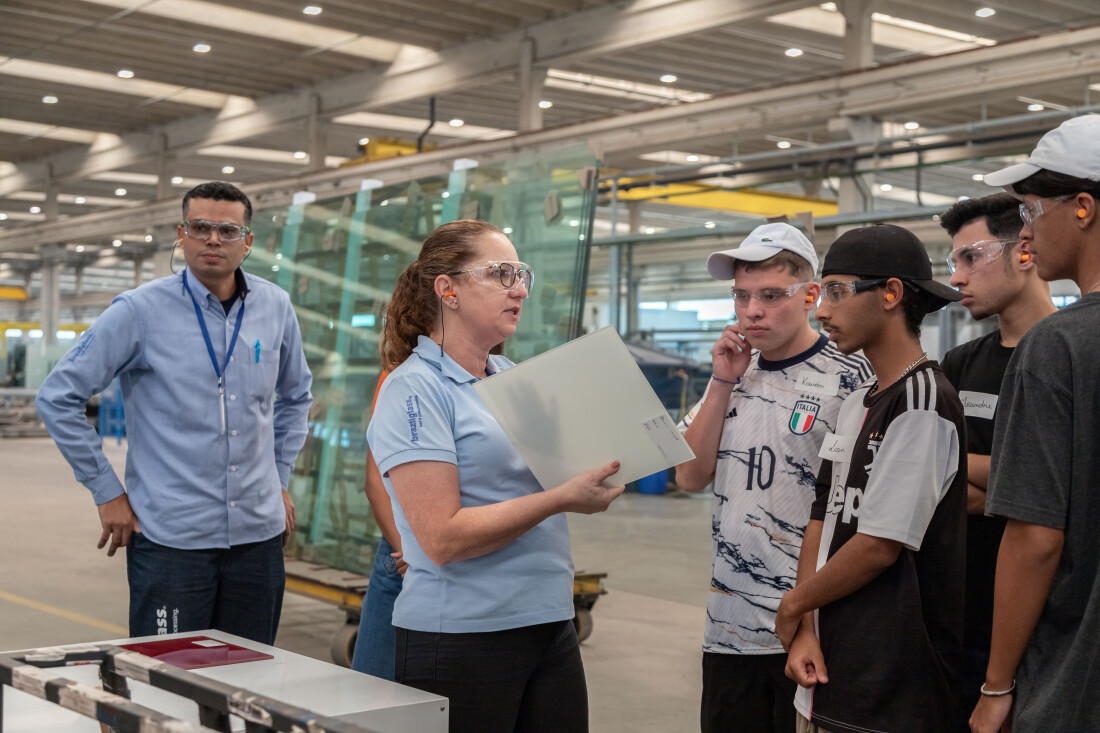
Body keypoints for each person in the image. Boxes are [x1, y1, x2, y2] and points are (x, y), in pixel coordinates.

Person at [366, 219, 624, 733]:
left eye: (520, 273)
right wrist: (560, 498)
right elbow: (442, 538)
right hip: (463, 634)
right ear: (449, 290)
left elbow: (555, 476)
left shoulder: (512, 379)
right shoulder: (413, 390)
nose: (520, 288)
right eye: (501, 273)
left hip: (549, 620)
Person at [36, 181, 313, 645]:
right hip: (171, 541)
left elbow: (297, 396)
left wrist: (278, 478)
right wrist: (107, 493)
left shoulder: (275, 306)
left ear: (247, 242)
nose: (212, 240)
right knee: (168, 681)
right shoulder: (138, 311)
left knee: (251, 681)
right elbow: (58, 396)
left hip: (257, 539)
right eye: (200, 227)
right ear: (180, 234)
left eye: (227, 230)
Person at [674, 223, 871, 733]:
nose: (751, 310)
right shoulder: (736, 371)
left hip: (809, 633)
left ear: (810, 296)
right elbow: (689, 475)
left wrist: (810, 617)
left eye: (769, 295)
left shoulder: (850, 377)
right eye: (741, 296)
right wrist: (721, 381)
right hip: (728, 630)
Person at [775, 224, 967, 733]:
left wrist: (793, 605)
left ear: (891, 293)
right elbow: (825, 512)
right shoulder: (859, 399)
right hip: (826, 669)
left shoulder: (924, 401)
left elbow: (880, 543)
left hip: (891, 687)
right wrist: (808, 627)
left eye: (836, 291)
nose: (822, 311)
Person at [970, 114, 1100, 733]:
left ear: (1082, 208)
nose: (1024, 232)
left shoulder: (1060, 346)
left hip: (1075, 682)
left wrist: (997, 685)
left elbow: (1036, 539)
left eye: (1030, 210)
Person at [937, 194, 1056, 729]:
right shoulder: (961, 364)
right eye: (952, 261)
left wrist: (972, 465)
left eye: (972, 257)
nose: (957, 277)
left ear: (1024, 251)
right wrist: (1015, 477)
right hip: (961, 614)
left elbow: (1058, 499)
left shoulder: (1067, 357)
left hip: (1047, 619)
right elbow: (936, 484)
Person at [350, 371, 407, 680]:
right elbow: (375, 481)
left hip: (466, 561)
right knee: (371, 689)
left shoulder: (497, 375)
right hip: (403, 556)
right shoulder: (398, 376)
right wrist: (408, 548)